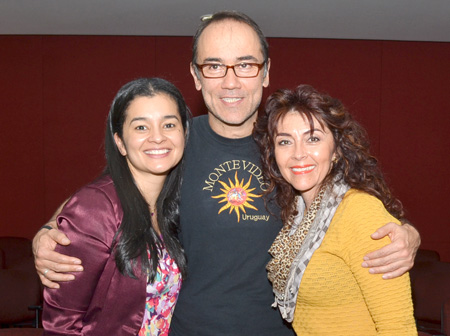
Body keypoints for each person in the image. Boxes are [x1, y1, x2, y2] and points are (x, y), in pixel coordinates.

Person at [33, 11, 420, 336]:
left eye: (246, 65)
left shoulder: (289, 147)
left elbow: (349, 205)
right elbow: (112, 192)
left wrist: (408, 233)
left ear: (266, 72)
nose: (231, 81)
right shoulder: (172, 143)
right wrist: (49, 230)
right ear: (197, 76)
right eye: (215, 66)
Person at [253, 84, 417, 335]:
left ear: (337, 149)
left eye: (313, 138)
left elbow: (397, 326)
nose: (298, 154)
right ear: (273, 153)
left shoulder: (359, 211)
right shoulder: (295, 214)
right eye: (285, 141)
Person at [42, 78, 190, 335]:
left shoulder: (178, 202)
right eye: (141, 127)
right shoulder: (95, 209)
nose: (157, 137)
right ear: (120, 142)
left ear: (185, 133)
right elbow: (61, 323)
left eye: (168, 124)